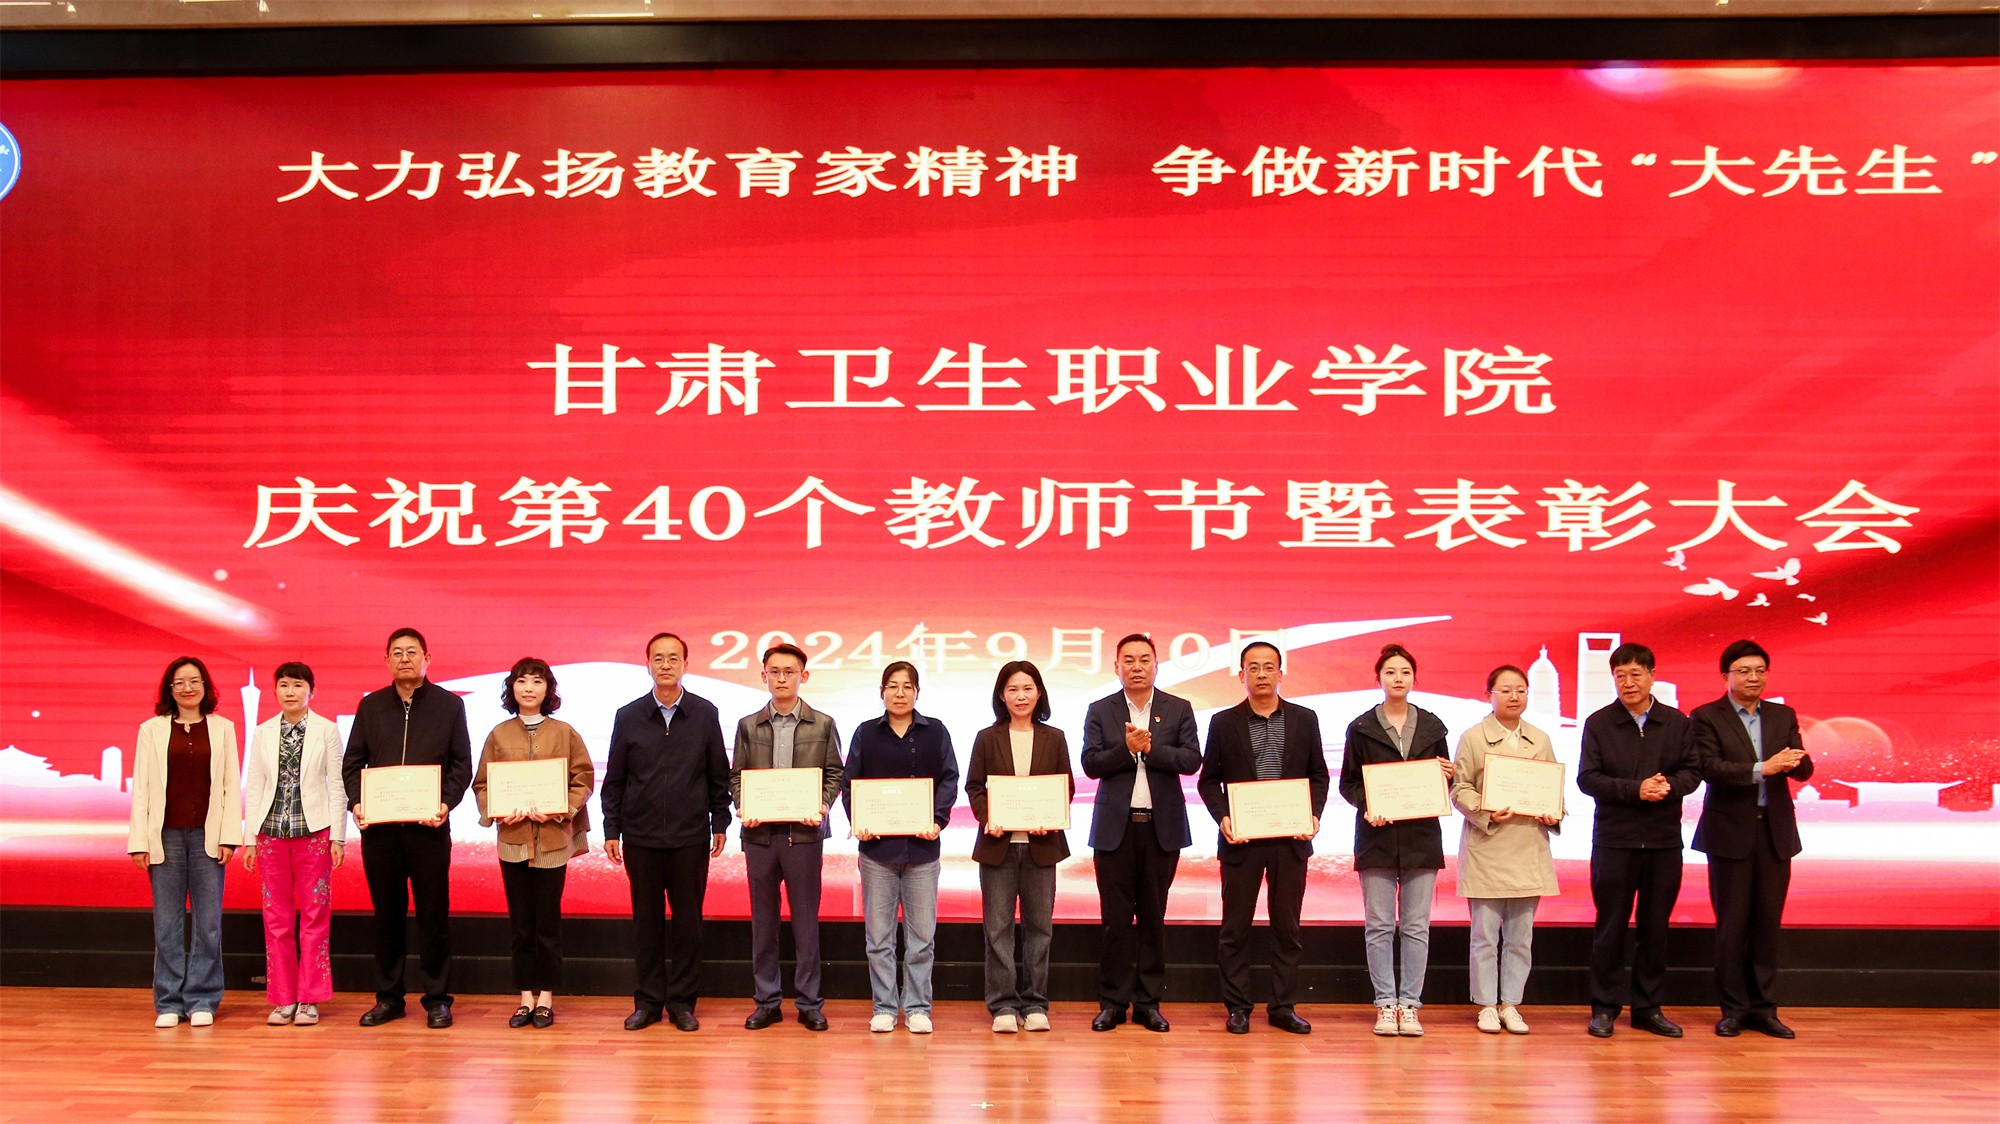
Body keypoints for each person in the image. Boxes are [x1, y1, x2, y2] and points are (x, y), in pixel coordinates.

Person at [341, 627, 473, 1029]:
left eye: (411, 652)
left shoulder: (449, 705)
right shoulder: (371, 706)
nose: (404, 658)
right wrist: (357, 802)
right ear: (386, 661)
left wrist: (445, 803)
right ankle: (389, 998)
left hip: (428, 829)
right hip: (380, 832)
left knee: (433, 916)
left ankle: (437, 999)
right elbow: (353, 763)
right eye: (396, 652)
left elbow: (461, 765)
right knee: (387, 916)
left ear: (426, 659)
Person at [1196, 640, 1328, 1036]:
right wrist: (1223, 816)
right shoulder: (1224, 722)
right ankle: (1238, 1007)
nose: (1262, 674)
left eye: (1269, 667)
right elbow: (1208, 780)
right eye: (1253, 667)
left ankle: (1283, 1007)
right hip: (1242, 841)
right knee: (1235, 928)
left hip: (1290, 840)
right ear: (1241, 675)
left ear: (1281, 673)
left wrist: (1313, 815)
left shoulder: (1305, 719)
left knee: (1287, 928)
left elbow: (1318, 775)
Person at [602, 631, 730, 1032]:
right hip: (640, 837)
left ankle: (682, 1003)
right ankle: (648, 1002)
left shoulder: (705, 714)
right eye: (658, 658)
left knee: (689, 924)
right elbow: (615, 779)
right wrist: (611, 828)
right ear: (648, 665)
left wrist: (720, 821)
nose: (666, 665)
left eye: (674, 658)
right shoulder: (629, 716)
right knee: (647, 924)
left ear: (686, 665)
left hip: (690, 837)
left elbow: (718, 774)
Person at [1690, 639, 1813, 1040]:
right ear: (1725, 676)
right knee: (1732, 924)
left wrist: (1798, 762)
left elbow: (1802, 768)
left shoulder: (1782, 714)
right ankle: (1733, 1009)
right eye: (1743, 671)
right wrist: (1763, 768)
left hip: (1774, 832)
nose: (1753, 678)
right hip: (1730, 832)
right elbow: (1710, 767)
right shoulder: (1707, 716)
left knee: (1767, 924)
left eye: (1760, 670)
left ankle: (1764, 1009)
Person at [1577, 642, 1701, 1039]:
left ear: (1651, 676)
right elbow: (1588, 779)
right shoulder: (1599, 723)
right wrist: (1636, 790)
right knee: (1610, 927)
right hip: (1614, 841)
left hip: (1663, 842)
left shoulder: (1676, 722)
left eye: (1636, 674)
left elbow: (1693, 771)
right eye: (1620, 675)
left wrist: (1668, 787)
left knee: (1655, 928)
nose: (1628, 682)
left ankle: (1648, 1008)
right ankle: (1604, 1008)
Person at [1080, 632, 1201, 1033]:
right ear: (1116, 666)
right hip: (1115, 830)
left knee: (1153, 917)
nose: (1136, 667)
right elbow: (1091, 764)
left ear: (1156, 665)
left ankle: (1148, 1003)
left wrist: (1150, 749)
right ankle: (1112, 1003)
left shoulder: (1178, 708)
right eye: (1128, 660)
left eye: (1144, 659)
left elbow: (1191, 760)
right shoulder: (1101, 710)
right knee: (1115, 921)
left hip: (1160, 829)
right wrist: (1127, 749)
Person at [1337, 643, 1452, 1038]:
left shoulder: (1433, 727)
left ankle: (1411, 1005)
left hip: (1422, 838)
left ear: (1414, 678)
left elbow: (1440, 781)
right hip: (1377, 836)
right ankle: (1386, 1003)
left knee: (1417, 927)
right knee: (1379, 926)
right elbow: (1349, 783)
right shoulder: (1361, 727)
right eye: (1390, 672)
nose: (1398, 678)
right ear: (1379, 679)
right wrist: (1369, 804)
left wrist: (1447, 774)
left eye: (1405, 672)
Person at [473, 658, 594, 1029]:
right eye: (522, 681)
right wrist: (497, 810)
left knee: (547, 924)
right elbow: (483, 784)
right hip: (513, 840)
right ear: (511, 688)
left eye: (537, 681)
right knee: (521, 925)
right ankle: (525, 996)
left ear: (548, 689)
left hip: (552, 842)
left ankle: (546, 997)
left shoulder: (565, 732)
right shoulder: (498, 735)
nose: (528, 688)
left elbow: (583, 778)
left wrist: (562, 808)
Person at [730, 643, 844, 1032]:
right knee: (763, 923)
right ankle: (767, 1002)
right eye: (774, 672)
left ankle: (809, 1003)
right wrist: (744, 804)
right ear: (764, 675)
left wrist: (822, 805)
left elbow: (834, 773)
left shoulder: (823, 724)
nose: (781, 678)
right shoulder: (748, 725)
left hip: (805, 835)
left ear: (803, 676)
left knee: (805, 922)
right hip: (760, 836)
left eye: (789, 672)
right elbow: (737, 775)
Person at [842, 661, 959, 1035]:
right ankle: (884, 1007)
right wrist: (859, 819)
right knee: (879, 939)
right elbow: (850, 783)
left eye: (907, 686)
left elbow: (949, 779)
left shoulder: (935, 731)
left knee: (921, 938)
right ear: (882, 692)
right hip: (876, 852)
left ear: (917, 692)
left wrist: (937, 820)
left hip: (922, 850)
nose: (900, 693)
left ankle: (918, 1007)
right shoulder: (866, 733)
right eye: (892, 686)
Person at [127, 656, 242, 1028]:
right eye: (179, 682)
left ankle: (202, 998)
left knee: (208, 924)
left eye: (194, 681)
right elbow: (142, 789)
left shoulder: (223, 729)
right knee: (167, 924)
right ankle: (169, 1002)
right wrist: (139, 841)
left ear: (205, 686)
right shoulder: (151, 730)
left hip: (209, 837)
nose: (188, 688)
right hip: (165, 838)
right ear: (170, 689)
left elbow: (230, 786)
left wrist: (229, 837)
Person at [1451, 664, 1562, 1036]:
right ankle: (1486, 1005)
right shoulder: (1473, 737)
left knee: (1520, 937)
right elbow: (1460, 788)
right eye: (1506, 690)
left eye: (1521, 690)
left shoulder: (1540, 739)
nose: (1514, 697)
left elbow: (1552, 786)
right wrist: (1484, 810)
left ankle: (1511, 1003)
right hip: (1488, 846)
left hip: (1528, 846)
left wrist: (1554, 811)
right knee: (1484, 936)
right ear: (1490, 695)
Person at [966, 660, 1073, 1034]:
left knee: (1039, 928)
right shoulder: (987, 737)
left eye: (1027, 688)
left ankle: (1036, 1002)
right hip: (998, 847)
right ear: (1002, 695)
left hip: (1042, 845)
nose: (1021, 695)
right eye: (1012, 689)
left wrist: (1051, 815)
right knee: (997, 929)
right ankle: (1003, 1005)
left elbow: (1065, 787)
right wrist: (988, 817)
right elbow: (975, 787)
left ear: (1039, 693)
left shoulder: (1054, 737)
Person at [241, 661, 344, 1027]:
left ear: (311, 691)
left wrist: (338, 836)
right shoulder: (263, 732)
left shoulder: (326, 730)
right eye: (283, 685)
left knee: (315, 916)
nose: (290, 692)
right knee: (276, 919)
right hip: (270, 834)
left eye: (298, 685)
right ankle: (283, 999)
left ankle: (310, 998)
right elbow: (255, 786)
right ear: (275, 690)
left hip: (314, 834)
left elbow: (337, 785)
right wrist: (249, 839)